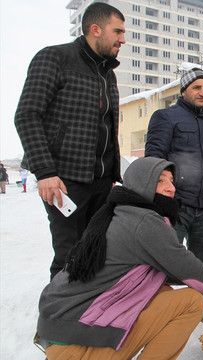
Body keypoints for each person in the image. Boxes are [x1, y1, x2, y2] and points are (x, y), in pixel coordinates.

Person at [35, 157, 203, 360]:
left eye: (172, 181)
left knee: (161, 290)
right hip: (78, 344)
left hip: (62, 333)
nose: (171, 187)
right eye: (160, 181)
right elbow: (200, 278)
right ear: (141, 184)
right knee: (191, 302)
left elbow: (174, 272)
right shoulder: (145, 222)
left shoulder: (121, 212)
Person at [14, 2, 125, 280]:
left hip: (101, 184)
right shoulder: (54, 58)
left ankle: (86, 320)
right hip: (65, 180)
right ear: (95, 29)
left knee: (96, 255)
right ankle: (54, 322)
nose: (122, 39)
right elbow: (27, 115)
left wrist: (111, 174)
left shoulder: (107, 73)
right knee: (68, 258)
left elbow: (106, 128)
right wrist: (46, 172)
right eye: (118, 31)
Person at [145, 68, 203, 328]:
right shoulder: (166, 117)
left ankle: (199, 314)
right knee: (162, 265)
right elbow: (154, 159)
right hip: (175, 207)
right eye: (197, 87)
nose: (202, 93)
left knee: (202, 267)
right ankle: (154, 318)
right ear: (184, 90)